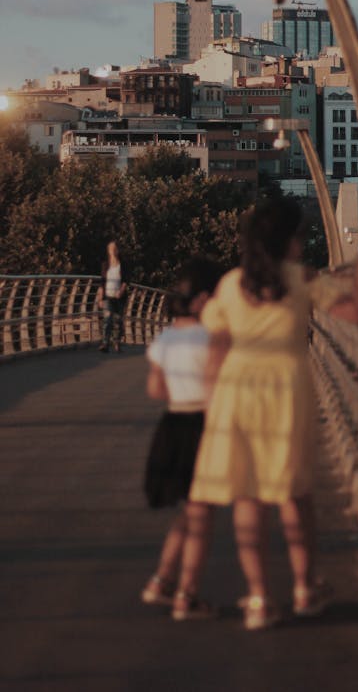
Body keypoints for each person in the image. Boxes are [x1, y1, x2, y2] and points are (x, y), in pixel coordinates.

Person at [185, 198, 358, 631]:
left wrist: (211, 408)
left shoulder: (232, 286)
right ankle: (306, 587)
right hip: (286, 391)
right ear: (289, 242)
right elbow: (357, 313)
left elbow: (215, 350)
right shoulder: (302, 279)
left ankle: (259, 598)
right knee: (294, 493)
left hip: (236, 393)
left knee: (248, 499)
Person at [141, 257, 223, 620]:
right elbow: (214, 388)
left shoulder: (165, 338)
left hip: (172, 423)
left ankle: (161, 581)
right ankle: (186, 596)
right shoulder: (212, 339)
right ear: (205, 298)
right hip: (202, 426)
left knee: (189, 512)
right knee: (201, 517)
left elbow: (155, 388)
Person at [96, 240, 127, 353]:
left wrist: (121, 291)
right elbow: (101, 282)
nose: (112, 251)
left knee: (118, 320)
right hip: (107, 296)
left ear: (117, 250)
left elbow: (126, 281)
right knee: (107, 319)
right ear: (108, 251)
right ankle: (105, 343)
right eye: (110, 249)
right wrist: (100, 298)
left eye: (114, 249)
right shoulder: (105, 264)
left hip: (119, 297)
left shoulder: (123, 264)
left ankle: (117, 341)